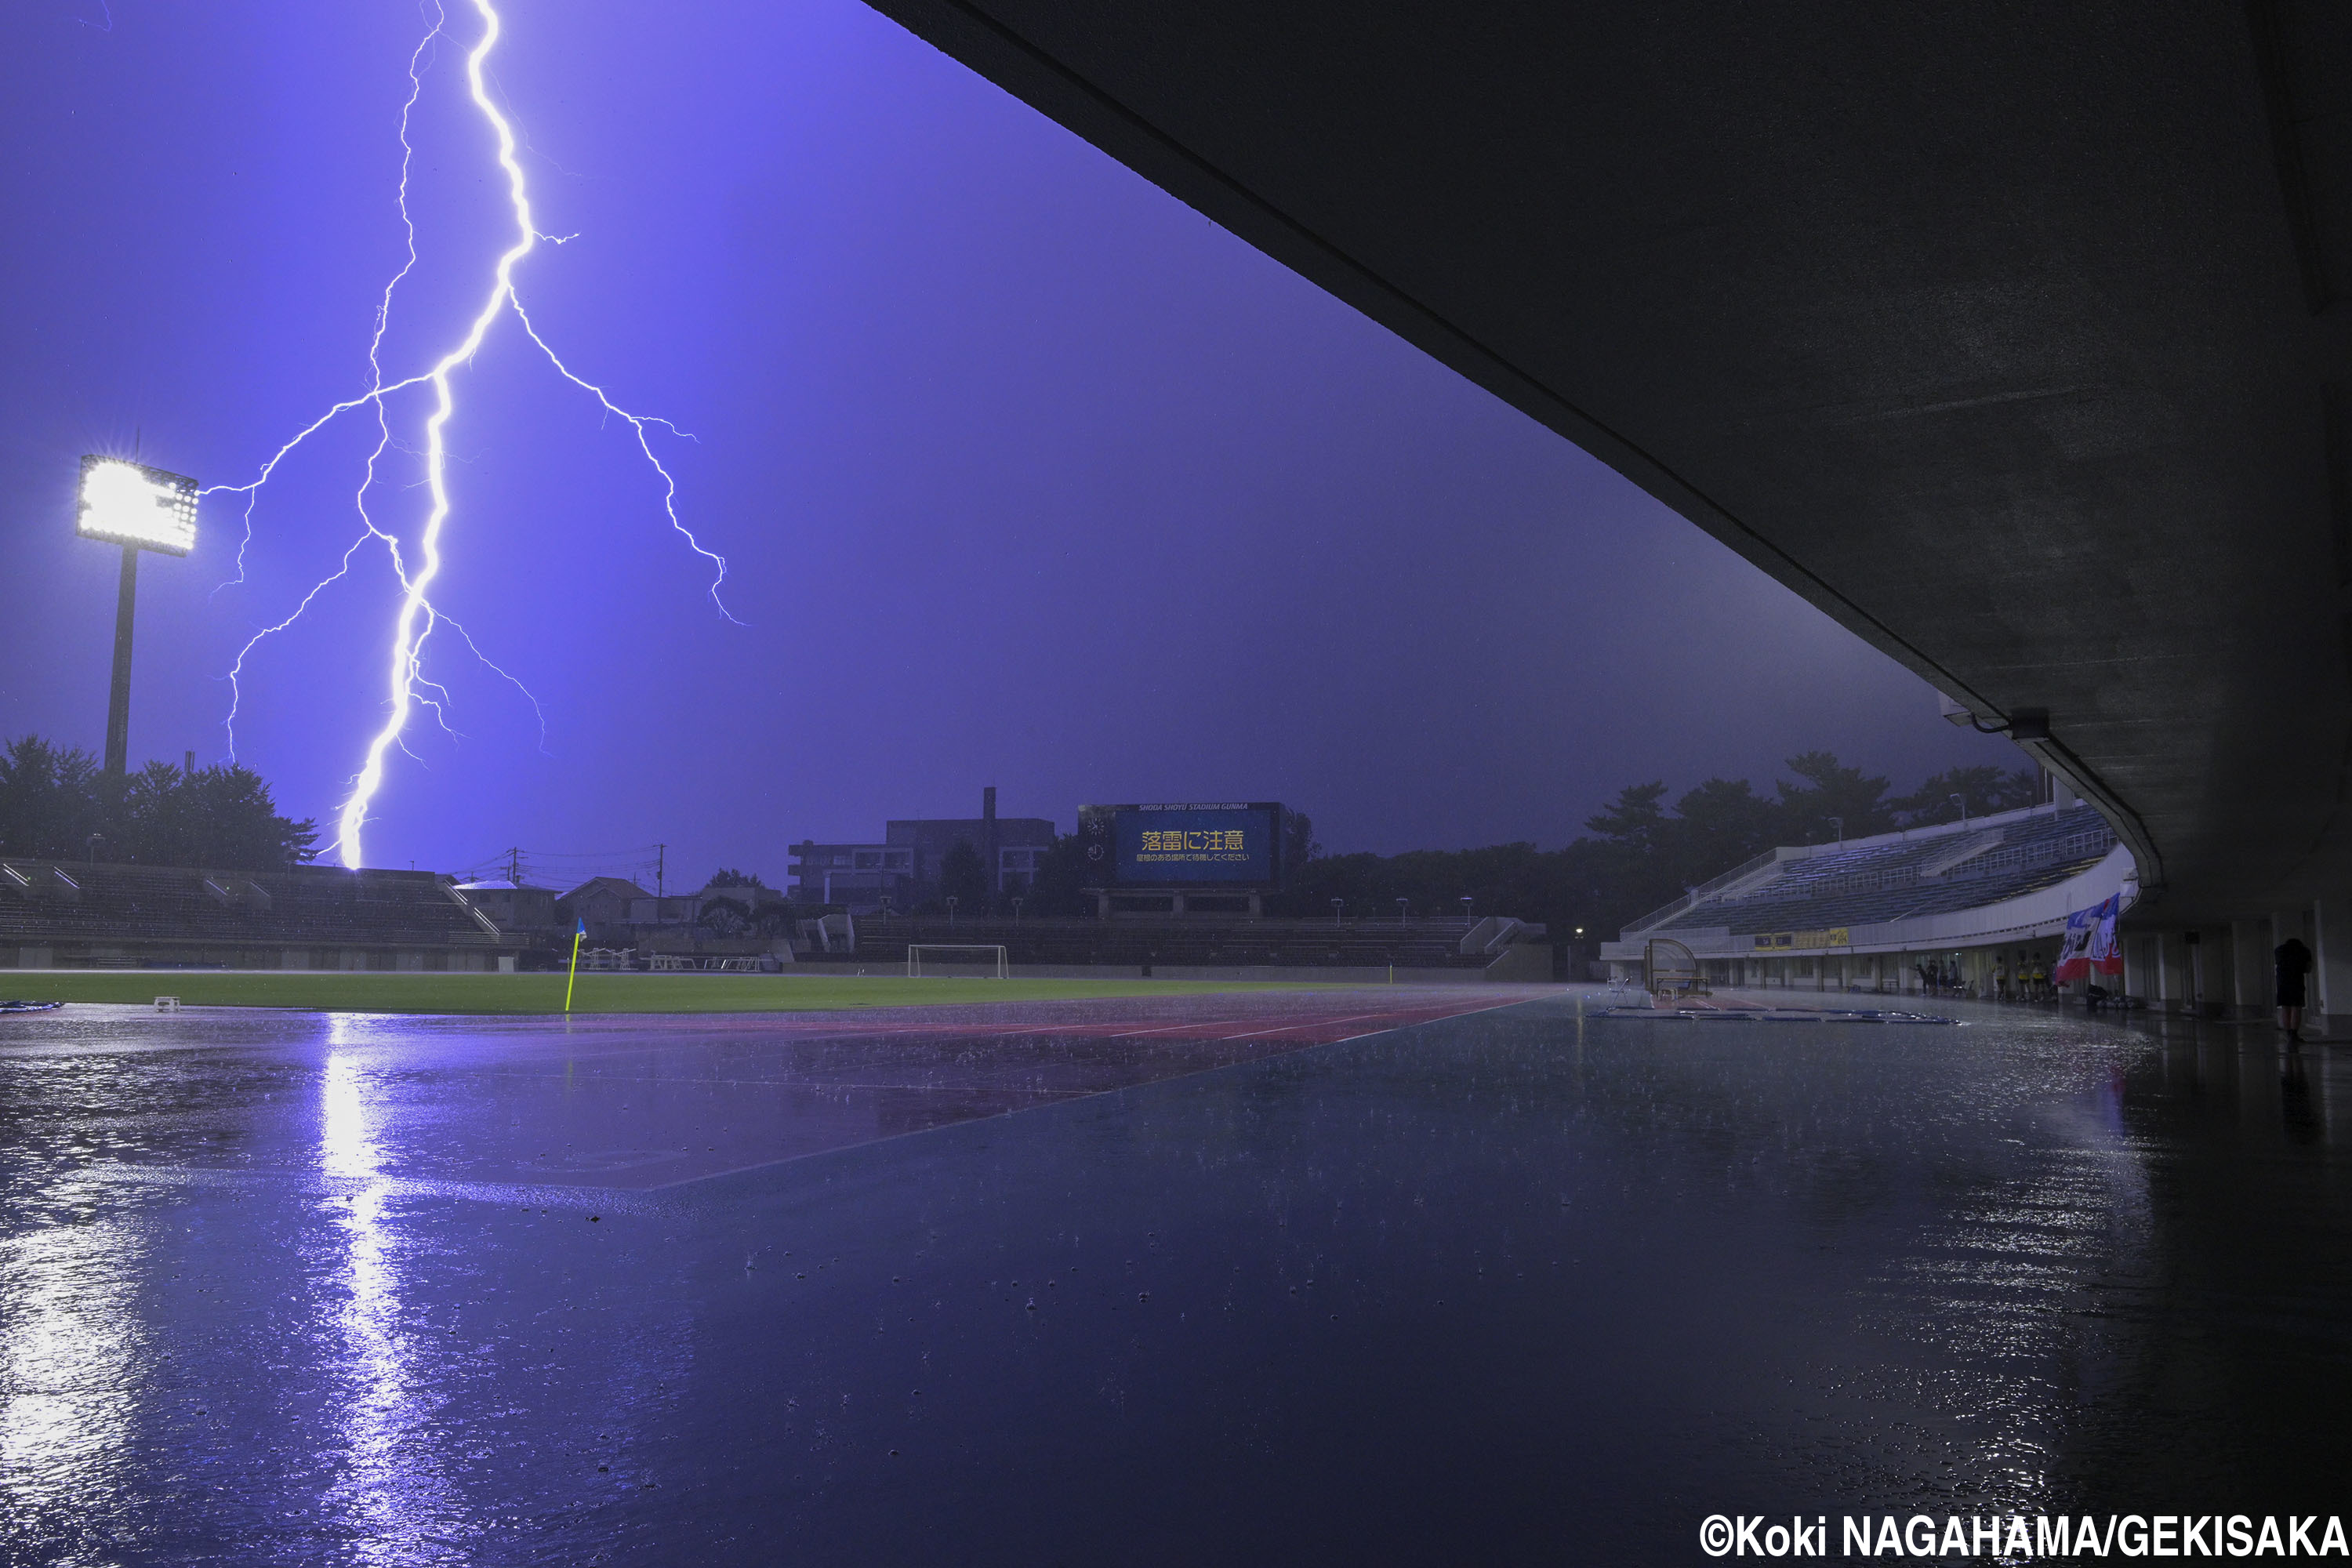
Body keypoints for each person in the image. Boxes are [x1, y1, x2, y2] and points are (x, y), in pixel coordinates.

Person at [2276, 935, 2314, 1045]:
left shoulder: (2279, 951)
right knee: (2296, 1008)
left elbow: (2278, 963)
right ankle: (2294, 1034)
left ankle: (2288, 1034)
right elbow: (2308, 968)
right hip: (2297, 982)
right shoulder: (2304, 951)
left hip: (2282, 983)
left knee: (2285, 1007)